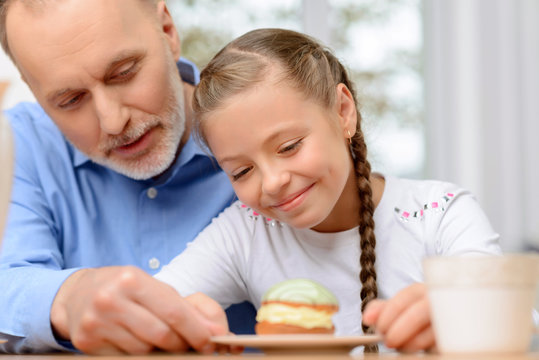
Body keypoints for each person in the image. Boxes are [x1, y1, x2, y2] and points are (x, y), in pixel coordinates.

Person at [154, 28, 502, 353]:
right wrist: (169, 323)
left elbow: (512, 321)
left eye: (289, 146)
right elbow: (147, 309)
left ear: (343, 111)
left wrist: (461, 313)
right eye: (242, 171)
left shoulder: (440, 214)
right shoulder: (244, 232)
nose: (273, 182)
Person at [0, 0, 255, 355]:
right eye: (71, 99)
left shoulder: (268, 131)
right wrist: (68, 297)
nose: (112, 121)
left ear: (167, 31)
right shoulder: (18, 144)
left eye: (124, 73)